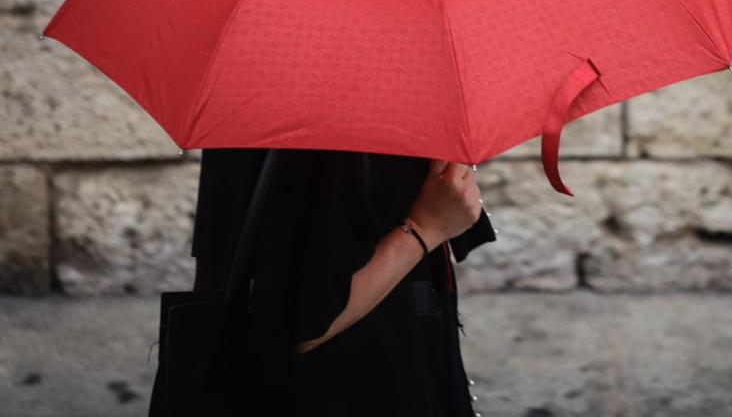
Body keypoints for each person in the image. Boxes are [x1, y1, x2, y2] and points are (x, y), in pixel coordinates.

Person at [180, 147, 497, 416]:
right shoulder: (333, 128)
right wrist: (425, 228)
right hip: (344, 384)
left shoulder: (265, 92)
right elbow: (303, 321)